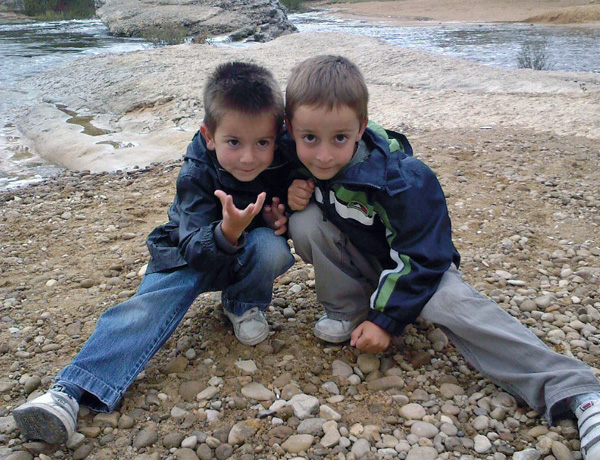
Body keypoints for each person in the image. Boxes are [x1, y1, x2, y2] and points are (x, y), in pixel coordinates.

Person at [284, 54, 600, 459]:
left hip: (418, 266)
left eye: (339, 139)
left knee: (450, 301)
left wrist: (387, 320)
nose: (323, 155)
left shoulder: (403, 178)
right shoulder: (297, 149)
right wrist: (291, 192)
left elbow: (424, 255)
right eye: (309, 139)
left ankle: (576, 390)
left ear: (361, 130)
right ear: (291, 129)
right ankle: (348, 311)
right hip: (368, 264)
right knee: (305, 221)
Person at [12, 61, 295, 445]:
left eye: (261, 143)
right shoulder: (196, 172)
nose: (249, 157)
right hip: (187, 254)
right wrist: (227, 230)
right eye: (234, 143)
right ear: (209, 136)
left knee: (272, 247)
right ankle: (69, 391)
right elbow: (194, 244)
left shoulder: (283, 155)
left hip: (244, 256)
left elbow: (314, 167)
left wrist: (286, 211)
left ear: (276, 135)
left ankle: (243, 303)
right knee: (149, 306)